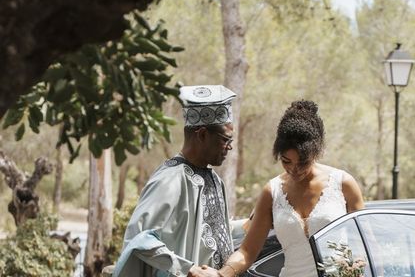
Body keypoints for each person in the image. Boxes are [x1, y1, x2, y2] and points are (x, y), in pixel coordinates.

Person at [212, 99, 365, 277]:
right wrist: (221, 274)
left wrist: (357, 268)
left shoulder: (343, 184)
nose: (294, 169)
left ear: (316, 153)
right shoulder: (272, 191)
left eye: (302, 162)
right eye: (286, 161)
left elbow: (365, 245)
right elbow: (247, 252)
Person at [110, 85, 237, 277]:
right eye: (225, 140)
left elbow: (210, 233)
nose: (229, 147)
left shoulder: (215, 180)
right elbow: (139, 237)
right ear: (202, 134)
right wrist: (188, 269)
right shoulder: (170, 179)